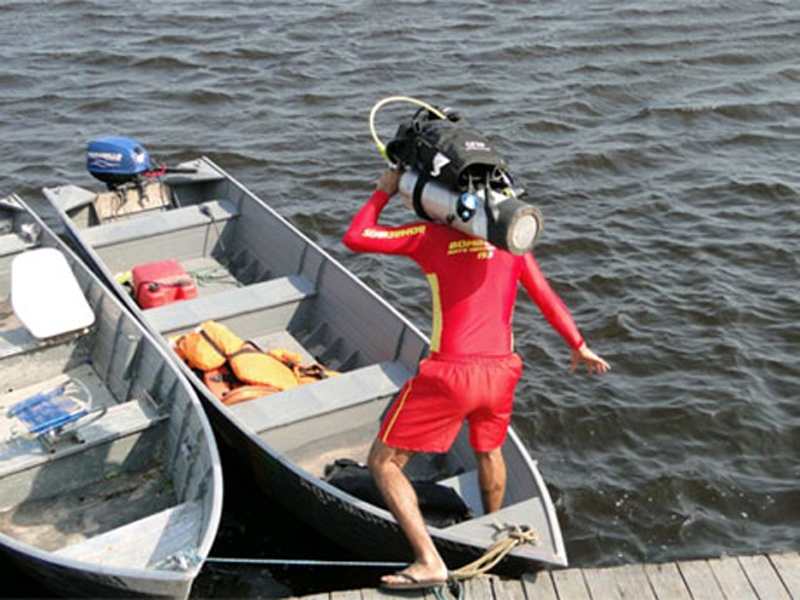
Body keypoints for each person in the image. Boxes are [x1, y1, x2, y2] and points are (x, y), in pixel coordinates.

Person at [342, 167, 610, 589]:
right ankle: (489, 535)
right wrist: (578, 344)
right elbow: (545, 295)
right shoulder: (511, 243)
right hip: (502, 371)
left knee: (384, 462)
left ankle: (428, 559)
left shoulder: (428, 238)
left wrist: (382, 192)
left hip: (449, 374)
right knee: (489, 451)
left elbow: (357, 236)